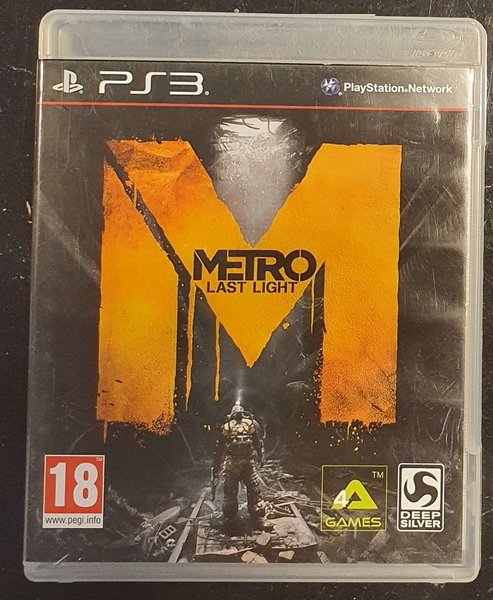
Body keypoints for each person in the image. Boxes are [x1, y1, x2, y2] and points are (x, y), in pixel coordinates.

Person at [212, 402, 266, 528]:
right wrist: (217, 463)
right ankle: (230, 519)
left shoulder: (250, 424)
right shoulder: (227, 427)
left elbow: (257, 442)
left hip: (247, 462)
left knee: (254, 490)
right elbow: (220, 446)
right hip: (233, 462)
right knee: (230, 492)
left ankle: (257, 518)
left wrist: (261, 455)